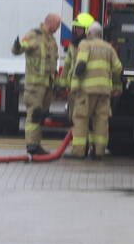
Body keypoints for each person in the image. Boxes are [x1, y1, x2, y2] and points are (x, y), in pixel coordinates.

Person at [70, 21, 123, 160]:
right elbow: (118, 68)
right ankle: (99, 152)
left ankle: (79, 152)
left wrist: (74, 86)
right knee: (101, 121)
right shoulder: (108, 48)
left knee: (81, 119)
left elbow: (80, 65)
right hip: (104, 91)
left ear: (89, 33)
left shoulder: (85, 44)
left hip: (87, 90)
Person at [12, 13, 61, 155]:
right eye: (57, 25)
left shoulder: (51, 40)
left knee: (41, 115)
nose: (58, 28)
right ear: (50, 22)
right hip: (35, 86)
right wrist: (17, 46)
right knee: (34, 114)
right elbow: (19, 48)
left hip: (47, 85)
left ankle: (36, 144)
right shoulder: (34, 35)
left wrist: (56, 84)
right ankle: (32, 145)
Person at [61, 13, 95, 158]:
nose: (76, 32)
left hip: (86, 89)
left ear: (87, 30)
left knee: (88, 120)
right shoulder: (73, 46)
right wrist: (62, 84)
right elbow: (67, 65)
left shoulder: (91, 46)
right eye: (76, 29)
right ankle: (83, 147)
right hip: (74, 89)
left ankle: (85, 149)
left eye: (80, 29)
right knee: (75, 120)